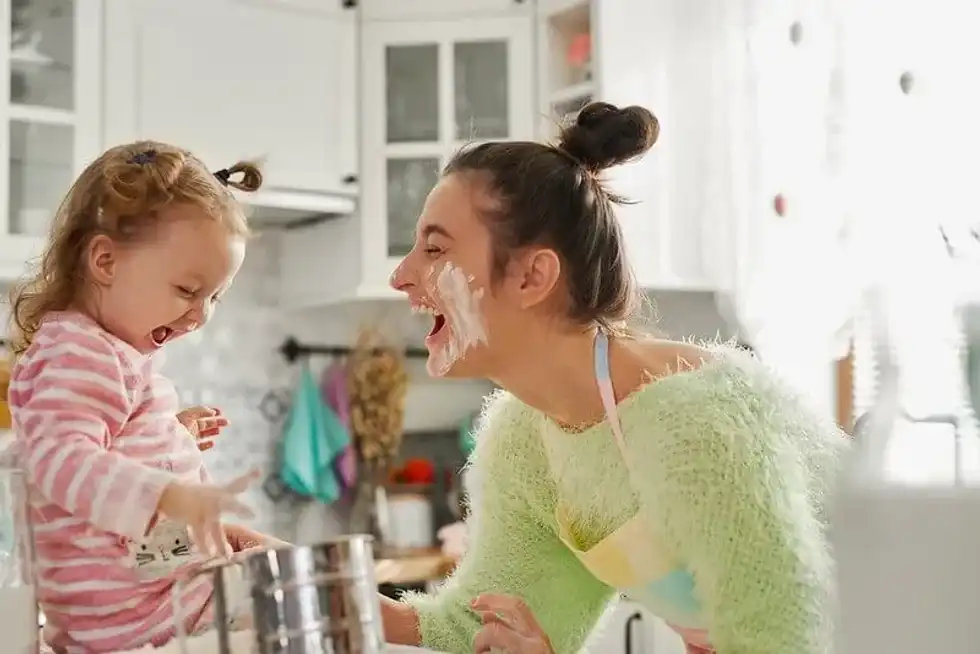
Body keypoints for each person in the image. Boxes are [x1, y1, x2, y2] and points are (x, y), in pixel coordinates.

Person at [383, 102, 849, 654]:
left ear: (533, 276)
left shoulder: (699, 425)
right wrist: (299, 581)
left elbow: (786, 642)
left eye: (434, 249)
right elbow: (473, 626)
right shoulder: (526, 438)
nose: (401, 275)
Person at [7, 141, 285, 653]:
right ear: (105, 261)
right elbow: (60, 460)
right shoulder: (78, 351)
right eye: (187, 290)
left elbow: (96, 442)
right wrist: (163, 495)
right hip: (148, 621)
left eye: (214, 298)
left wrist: (167, 434)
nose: (200, 315)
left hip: (160, 602)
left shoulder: (104, 352)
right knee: (305, 609)